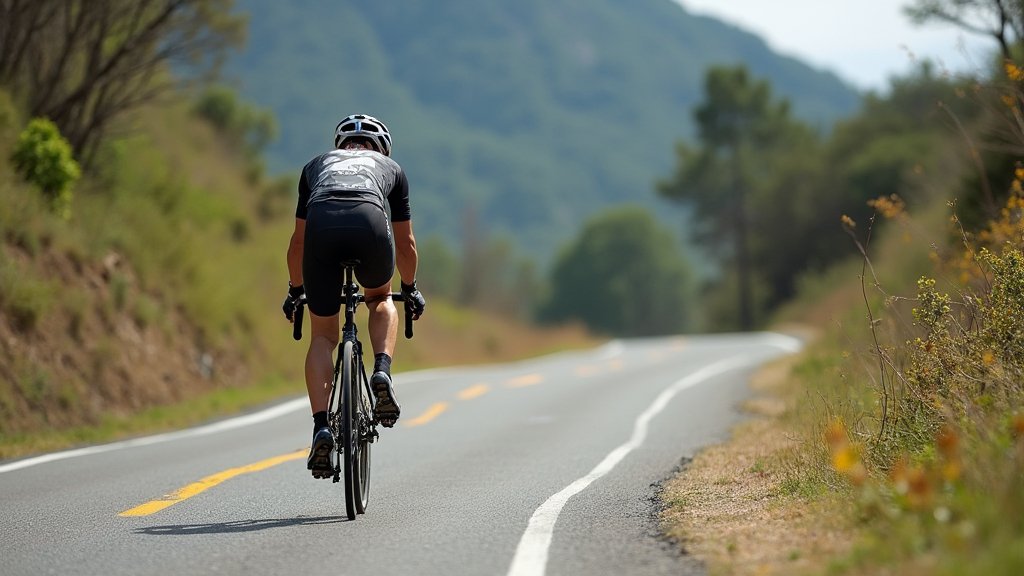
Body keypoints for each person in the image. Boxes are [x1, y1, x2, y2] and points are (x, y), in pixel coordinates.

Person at [281, 113, 426, 478]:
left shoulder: (316, 165)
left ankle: (321, 427)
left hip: (322, 226)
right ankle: (381, 371)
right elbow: (406, 243)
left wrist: (295, 290)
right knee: (379, 299)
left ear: (339, 145)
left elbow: (298, 242)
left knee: (324, 335)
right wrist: (408, 290)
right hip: (369, 221)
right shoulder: (390, 168)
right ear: (381, 148)